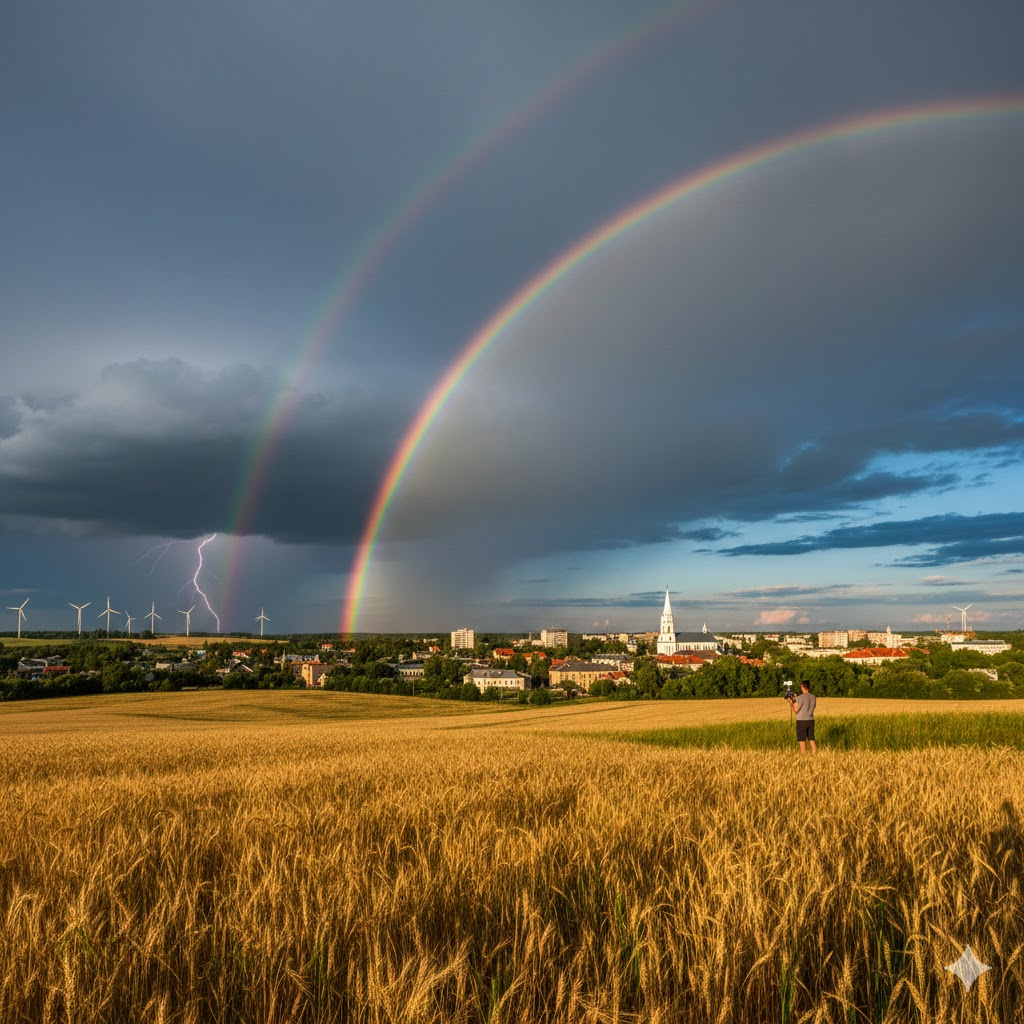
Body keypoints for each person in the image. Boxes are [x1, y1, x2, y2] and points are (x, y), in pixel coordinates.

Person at [790, 680, 816, 754]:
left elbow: (796, 711)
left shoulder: (800, 698)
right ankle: (815, 756)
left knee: (802, 742)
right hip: (811, 720)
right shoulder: (813, 697)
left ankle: (803, 758)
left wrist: (791, 703)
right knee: (812, 740)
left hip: (801, 721)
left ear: (803, 686)